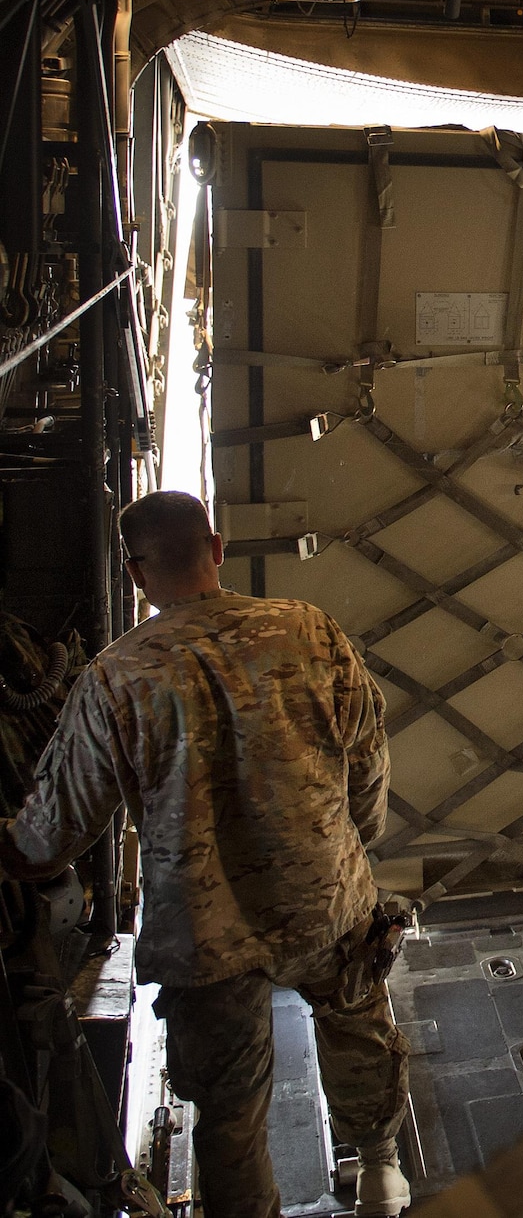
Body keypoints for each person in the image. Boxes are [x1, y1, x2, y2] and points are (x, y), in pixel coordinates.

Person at [0, 492, 411, 1218]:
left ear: (135, 574)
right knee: (355, 1025)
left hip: (206, 935)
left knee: (232, 1115)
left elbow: (50, 837)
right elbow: (369, 762)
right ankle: (381, 1173)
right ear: (216, 548)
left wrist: (14, 845)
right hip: (322, 894)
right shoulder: (307, 630)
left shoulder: (114, 678)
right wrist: (351, 848)